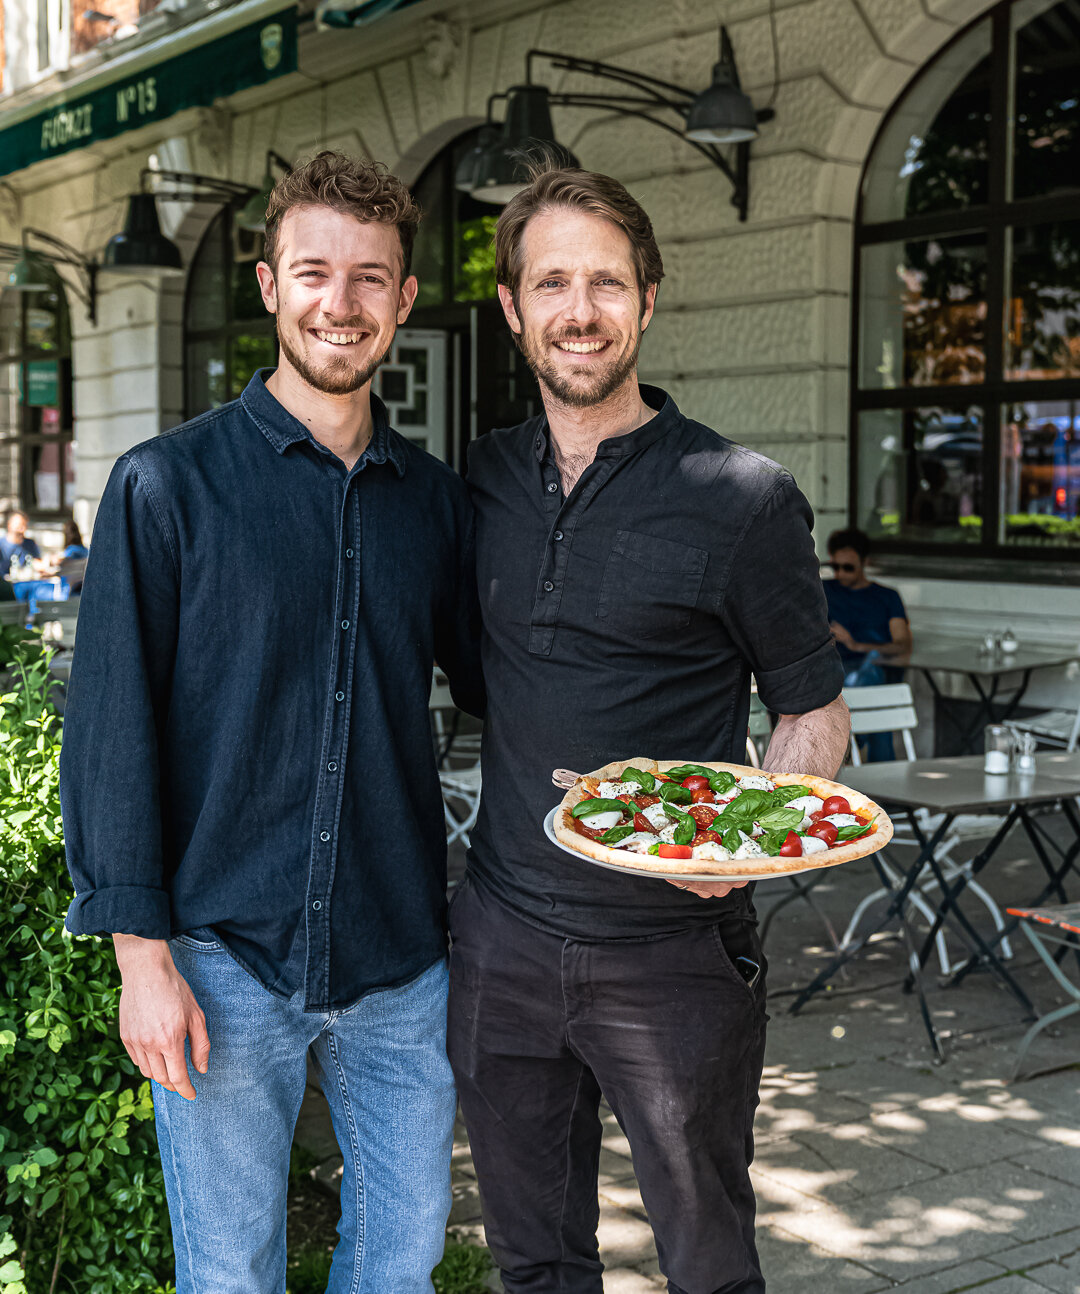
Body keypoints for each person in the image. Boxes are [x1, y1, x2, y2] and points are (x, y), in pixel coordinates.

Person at [61, 152, 483, 1294]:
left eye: (368, 279)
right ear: (268, 287)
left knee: (400, 1262)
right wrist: (137, 955)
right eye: (314, 272)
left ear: (402, 301)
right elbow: (108, 730)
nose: (338, 302)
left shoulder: (435, 504)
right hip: (218, 961)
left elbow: (506, 681)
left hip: (401, 961)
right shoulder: (166, 487)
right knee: (231, 1273)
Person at [449, 163, 850, 1294]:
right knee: (532, 1263)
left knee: (709, 1264)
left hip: (674, 956)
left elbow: (814, 715)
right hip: (501, 937)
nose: (581, 311)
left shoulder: (743, 496)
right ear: (514, 309)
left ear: (649, 301)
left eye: (608, 284)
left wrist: (750, 844)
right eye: (554, 284)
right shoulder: (478, 482)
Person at [824, 527, 912, 761]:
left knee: (871, 669)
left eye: (849, 567)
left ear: (865, 563)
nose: (841, 573)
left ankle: (855, 736)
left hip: (873, 672)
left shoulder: (886, 597)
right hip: (835, 675)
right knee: (878, 706)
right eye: (835, 567)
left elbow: (902, 644)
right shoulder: (823, 591)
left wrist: (856, 645)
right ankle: (861, 736)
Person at [0, 510, 41, 575]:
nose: (22, 528)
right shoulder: (1, 545)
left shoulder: (30, 544)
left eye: (24, 525)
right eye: (19, 524)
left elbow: (38, 564)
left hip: (27, 582)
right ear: (9, 525)